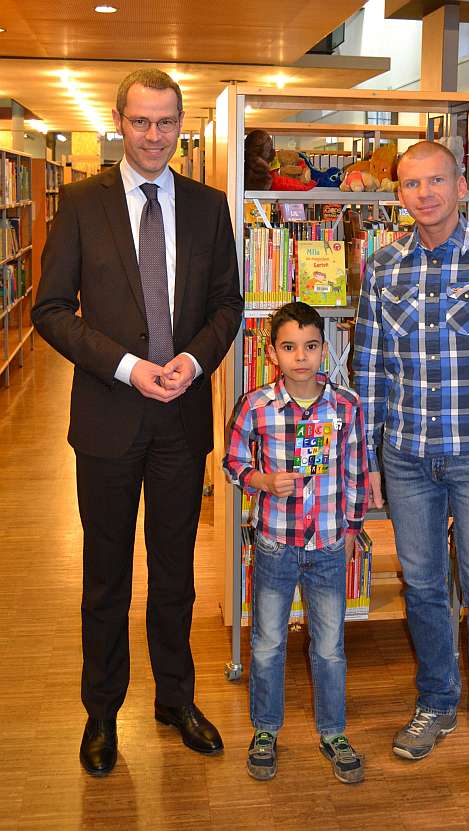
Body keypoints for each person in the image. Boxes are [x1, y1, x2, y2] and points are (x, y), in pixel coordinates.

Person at [32, 68, 243, 776]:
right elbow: (51, 309)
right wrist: (126, 366)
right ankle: (101, 711)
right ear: (119, 122)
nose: (154, 136)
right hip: (109, 420)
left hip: (181, 419)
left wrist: (192, 359)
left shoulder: (211, 207)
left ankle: (175, 699)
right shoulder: (81, 202)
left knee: (177, 571)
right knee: (106, 575)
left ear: (181, 123)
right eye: (141, 122)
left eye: (166, 122)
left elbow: (228, 307)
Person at [353, 141, 469, 816]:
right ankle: (436, 702)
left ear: (461, 184)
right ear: (396, 193)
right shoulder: (382, 266)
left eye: (436, 180)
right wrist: (368, 460)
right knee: (425, 587)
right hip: (405, 457)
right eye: (411, 183)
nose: (425, 193)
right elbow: (369, 367)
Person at [223, 302, 368, 784]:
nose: (300, 357)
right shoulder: (255, 406)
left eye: (310, 347)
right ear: (272, 353)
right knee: (267, 643)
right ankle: (265, 729)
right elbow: (233, 463)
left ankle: (333, 731)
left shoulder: (345, 406)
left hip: (327, 544)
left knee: (329, 646)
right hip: (275, 545)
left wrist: (351, 529)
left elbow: (355, 473)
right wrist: (262, 481)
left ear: (325, 350)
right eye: (289, 347)